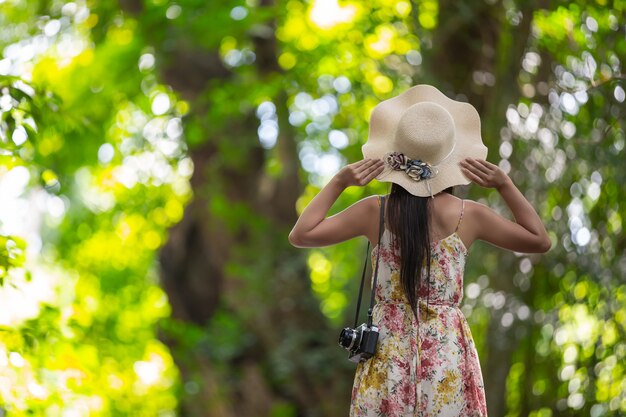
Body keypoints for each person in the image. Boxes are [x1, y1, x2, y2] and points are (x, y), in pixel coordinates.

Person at [288, 84, 551, 416]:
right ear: (450, 158)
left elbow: (302, 234)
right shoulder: (470, 216)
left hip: (388, 356)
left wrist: (340, 181)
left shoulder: (376, 212)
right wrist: (504, 184)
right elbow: (539, 240)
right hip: (447, 355)